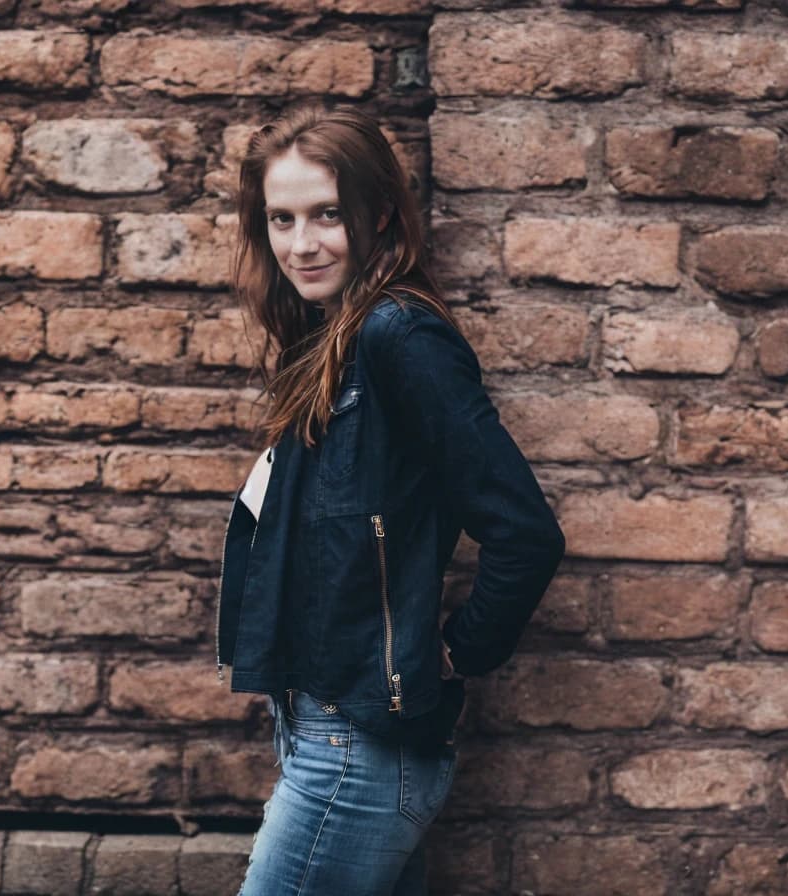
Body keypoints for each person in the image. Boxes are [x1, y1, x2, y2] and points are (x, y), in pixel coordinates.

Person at [214, 102, 567, 895]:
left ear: (377, 214)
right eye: (281, 219)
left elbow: (525, 531)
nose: (301, 244)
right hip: (323, 732)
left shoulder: (398, 338)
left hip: (359, 748)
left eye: (327, 215)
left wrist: (455, 650)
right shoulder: (325, 341)